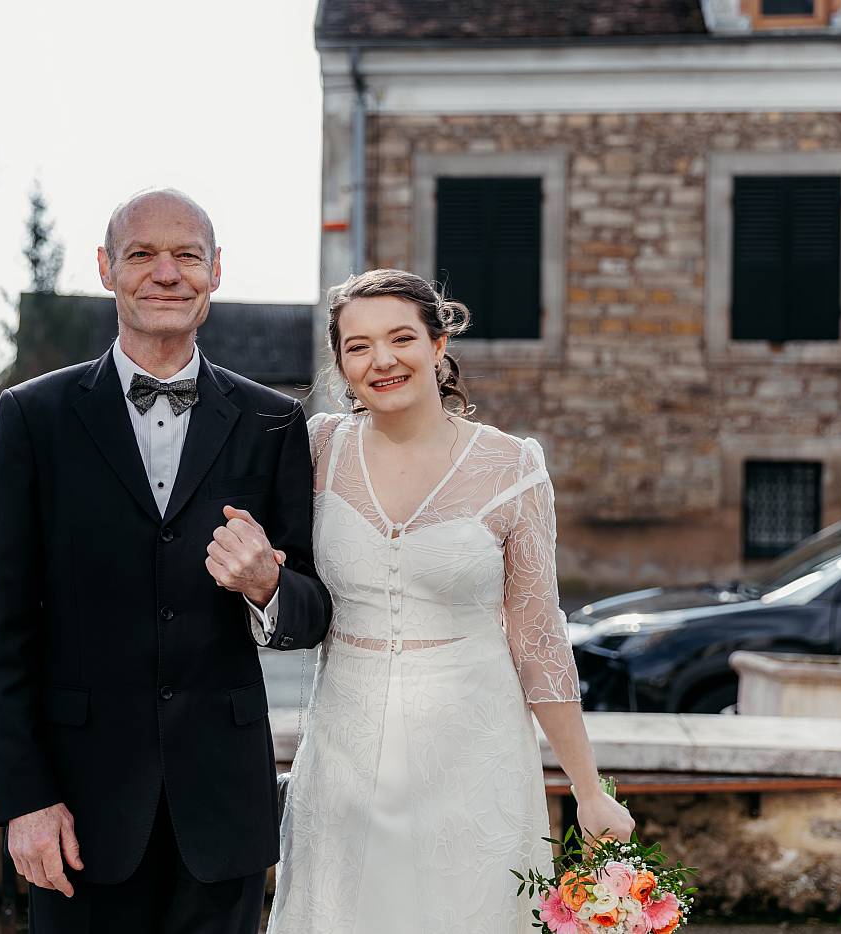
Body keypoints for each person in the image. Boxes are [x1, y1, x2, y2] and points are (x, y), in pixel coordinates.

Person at [0, 189, 331, 934]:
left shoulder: (273, 421)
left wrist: (267, 585)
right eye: (142, 254)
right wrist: (25, 800)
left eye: (186, 256)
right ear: (107, 268)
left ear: (215, 270)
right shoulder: (34, 416)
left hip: (222, 807)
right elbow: (4, 632)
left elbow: (311, 611)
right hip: (78, 807)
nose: (166, 273)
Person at [266, 268, 634, 933]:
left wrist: (589, 789)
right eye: (358, 346)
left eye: (401, 338)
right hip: (346, 752)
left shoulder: (512, 467)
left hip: (474, 752)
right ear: (341, 364)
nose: (382, 360)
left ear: (438, 345)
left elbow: (538, 636)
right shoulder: (318, 448)